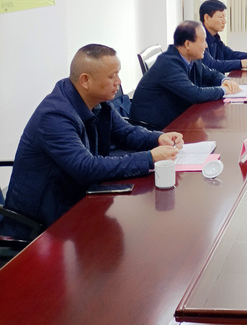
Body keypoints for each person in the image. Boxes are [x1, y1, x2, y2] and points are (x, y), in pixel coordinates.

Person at [0, 44, 183, 240]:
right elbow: (86, 167)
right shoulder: (54, 116)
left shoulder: (98, 102)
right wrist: (148, 158)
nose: (119, 82)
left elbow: (126, 133)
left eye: (118, 73)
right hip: (40, 226)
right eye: (112, 76)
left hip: (76, 199)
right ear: (85, 80)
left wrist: (157, 138)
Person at [130, 20, 240, 130]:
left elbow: (211, 74)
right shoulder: (169, 64)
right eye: (203, 41)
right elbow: (195, 94)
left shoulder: (192, 58)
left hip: (176, 116)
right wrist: (224, 90)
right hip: (154, 128)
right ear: (188, 44)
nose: (206, 46)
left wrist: (224, 80)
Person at [199, 0, 247, 72]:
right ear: (207, 18)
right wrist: (243, 63)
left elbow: (229, 54)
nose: (224, 21)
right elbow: (211, 65)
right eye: (221, 17)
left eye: (225, 17)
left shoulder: (215, 37)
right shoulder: (199, 38)